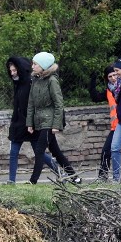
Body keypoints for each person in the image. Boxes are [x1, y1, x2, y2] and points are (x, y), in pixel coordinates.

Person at [26, 52, 81, 185]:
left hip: (49, 122)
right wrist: (30, 123)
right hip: (40, 121)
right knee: (56, 152)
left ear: (43, 66)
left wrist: (56, 124)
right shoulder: (36, 80)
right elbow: (31, 103)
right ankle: (75, 177)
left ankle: (33, 181)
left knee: (39, 151)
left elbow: (59, 104)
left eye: (35, 64)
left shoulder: (52, 80)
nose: (32, 66)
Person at [6, 57, 58, 184]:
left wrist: (32, 122)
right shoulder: (17, 83)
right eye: (10, 71)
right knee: (13, 152)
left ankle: (59, 171)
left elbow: (34, 104)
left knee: (39, 152)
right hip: (18, 122)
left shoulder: (31, 82)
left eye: (14, 70)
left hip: (31, 123)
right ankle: (11, 180)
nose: (12, 73)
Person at [89, 64, 121, 181]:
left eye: (114, 75)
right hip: (117, 126)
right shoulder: (109, 90)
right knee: (106, 151)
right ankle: (103, 176)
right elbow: (95, 97)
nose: (113, 78)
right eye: (110, 76)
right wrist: (92, 80)